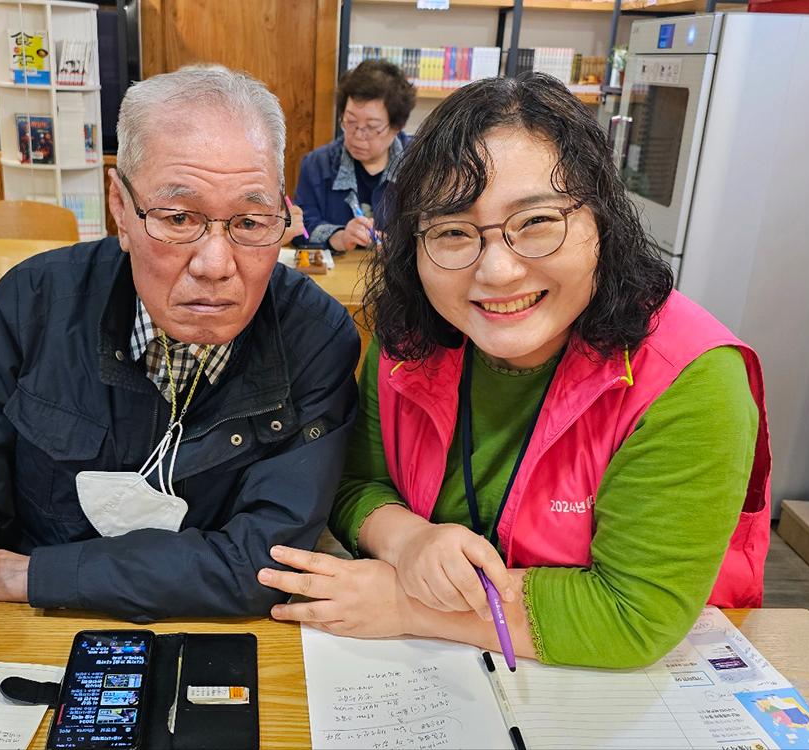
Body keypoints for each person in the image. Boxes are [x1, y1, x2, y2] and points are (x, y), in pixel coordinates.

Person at [0, 65, 361, 714]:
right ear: (120, 207)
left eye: (251, 223)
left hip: (215, 645)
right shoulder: (35, 303)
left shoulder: (315, 334)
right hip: (37, 639)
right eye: (178, 217)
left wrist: (34, 575)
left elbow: (266, 558)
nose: (217, 264)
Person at [258, 73, 772, 668]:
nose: (497, 272)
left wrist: (409, 606)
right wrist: (408, 539)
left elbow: (634, 615)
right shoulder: (407, 338)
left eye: (536, 223)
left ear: (602, 221)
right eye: (452, 232)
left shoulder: (690, 379)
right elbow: (356, 483)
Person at [295, 59, 416, 253]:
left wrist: (402, 246)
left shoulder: (421, 165)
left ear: (397, 126)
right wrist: (339, 236)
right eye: (350, 122)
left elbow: (439, 227)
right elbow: (302, 227)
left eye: (372, 127)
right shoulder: (317, 165)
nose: (358, 136)